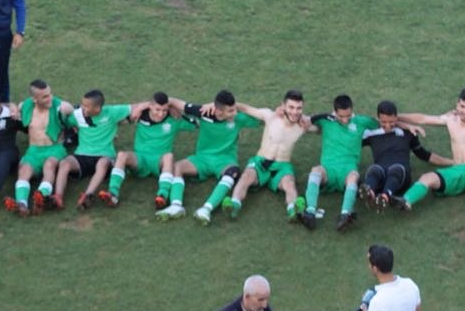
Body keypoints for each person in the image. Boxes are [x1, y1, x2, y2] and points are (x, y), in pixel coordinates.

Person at [190, 92, 305, 226]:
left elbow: (323, 125)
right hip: (260, 162)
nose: (295, 112)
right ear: (283, 106)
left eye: (299, 108)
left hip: (282, 166)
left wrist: (316, 119)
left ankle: (293, 211)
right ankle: (234, 205)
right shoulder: (270, 116)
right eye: (291, 107)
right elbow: (245, 108)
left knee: (289, 184)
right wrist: (214, 106)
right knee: (245, 177)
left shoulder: (303, 124)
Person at [396, 89, 465, 214]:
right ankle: (405, 201)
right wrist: (396, 116)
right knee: (427, 178)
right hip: (456, 171)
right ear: (457, 105)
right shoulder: (450, 120)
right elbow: (423, 119)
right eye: (462, 106)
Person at [165, 91, 260, 224]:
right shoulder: (203, 112)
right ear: (219, 111)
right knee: (177, 167)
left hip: (225, 161)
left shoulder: (239, 118)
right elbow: (173, 100)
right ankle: (176, 205)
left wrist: (239, 106)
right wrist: (169, 107)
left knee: (232, 172)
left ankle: (206, 209)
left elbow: (263, 118)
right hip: (201, 159)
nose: (235, 113)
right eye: (231, 111)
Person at [7, 79, 77, 214]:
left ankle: (41, 196)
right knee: (24, 171)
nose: (50, 98)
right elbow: (10, 105)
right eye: (45, 96)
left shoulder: (61, 107)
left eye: (50, 94)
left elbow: (77, 115)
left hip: (54, 148)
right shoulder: (26, 106)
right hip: (33, 150)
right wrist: (13, 108)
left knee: (49, 166)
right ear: (34, 99)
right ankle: (21, 204)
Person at [303, 95, 372, 232]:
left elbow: (385, 121)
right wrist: (324, 115)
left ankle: (345, 215)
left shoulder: (361, 121)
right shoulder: (326, 121)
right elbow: (304, 122)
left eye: (348, 115)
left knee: (353, 177)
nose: (345, 120)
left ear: (352, 110)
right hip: (328, 169)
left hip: (348, 169)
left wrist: (408, 125)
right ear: (334, 112)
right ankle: (310, 212)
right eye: (341, 116)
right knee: (316, 171)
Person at [360, 102, 447, 211]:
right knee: (375, 169)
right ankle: (370, 193)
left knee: (396, 169)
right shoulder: (371, 134)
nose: (387, 125)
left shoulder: (407, 133)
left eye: (391, 121)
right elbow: (350, 147)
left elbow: (424, 155)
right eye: (383, 122)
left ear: (397, 118)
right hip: (381, 173)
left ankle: (385, 197)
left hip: (401, 176)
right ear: (378, 118)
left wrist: (451, 162)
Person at [56, 89, 134, 209]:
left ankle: (88, 195)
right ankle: (57, 197)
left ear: (97, 108)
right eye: (82, 104)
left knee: (102, 164)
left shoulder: (111, 112)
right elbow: (65, 123)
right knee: (64, 163)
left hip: (104, 155)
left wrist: (130, 118)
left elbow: (135, 108)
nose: (82, 108)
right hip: (82, 155)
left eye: (86, 106)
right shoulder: (78, 115)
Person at [118, 93, 185, 212]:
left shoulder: (174, 118)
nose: (161, 114)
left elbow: (198, 120)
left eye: (164, 110)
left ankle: (162, 195)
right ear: (150, 107)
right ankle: (112, 193)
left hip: (159, 162)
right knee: (122, 155)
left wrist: (178, 110)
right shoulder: (140, 116)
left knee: (169, 157)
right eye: (157, 109)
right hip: (140, 159)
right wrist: (138, 108)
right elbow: (117, 121)